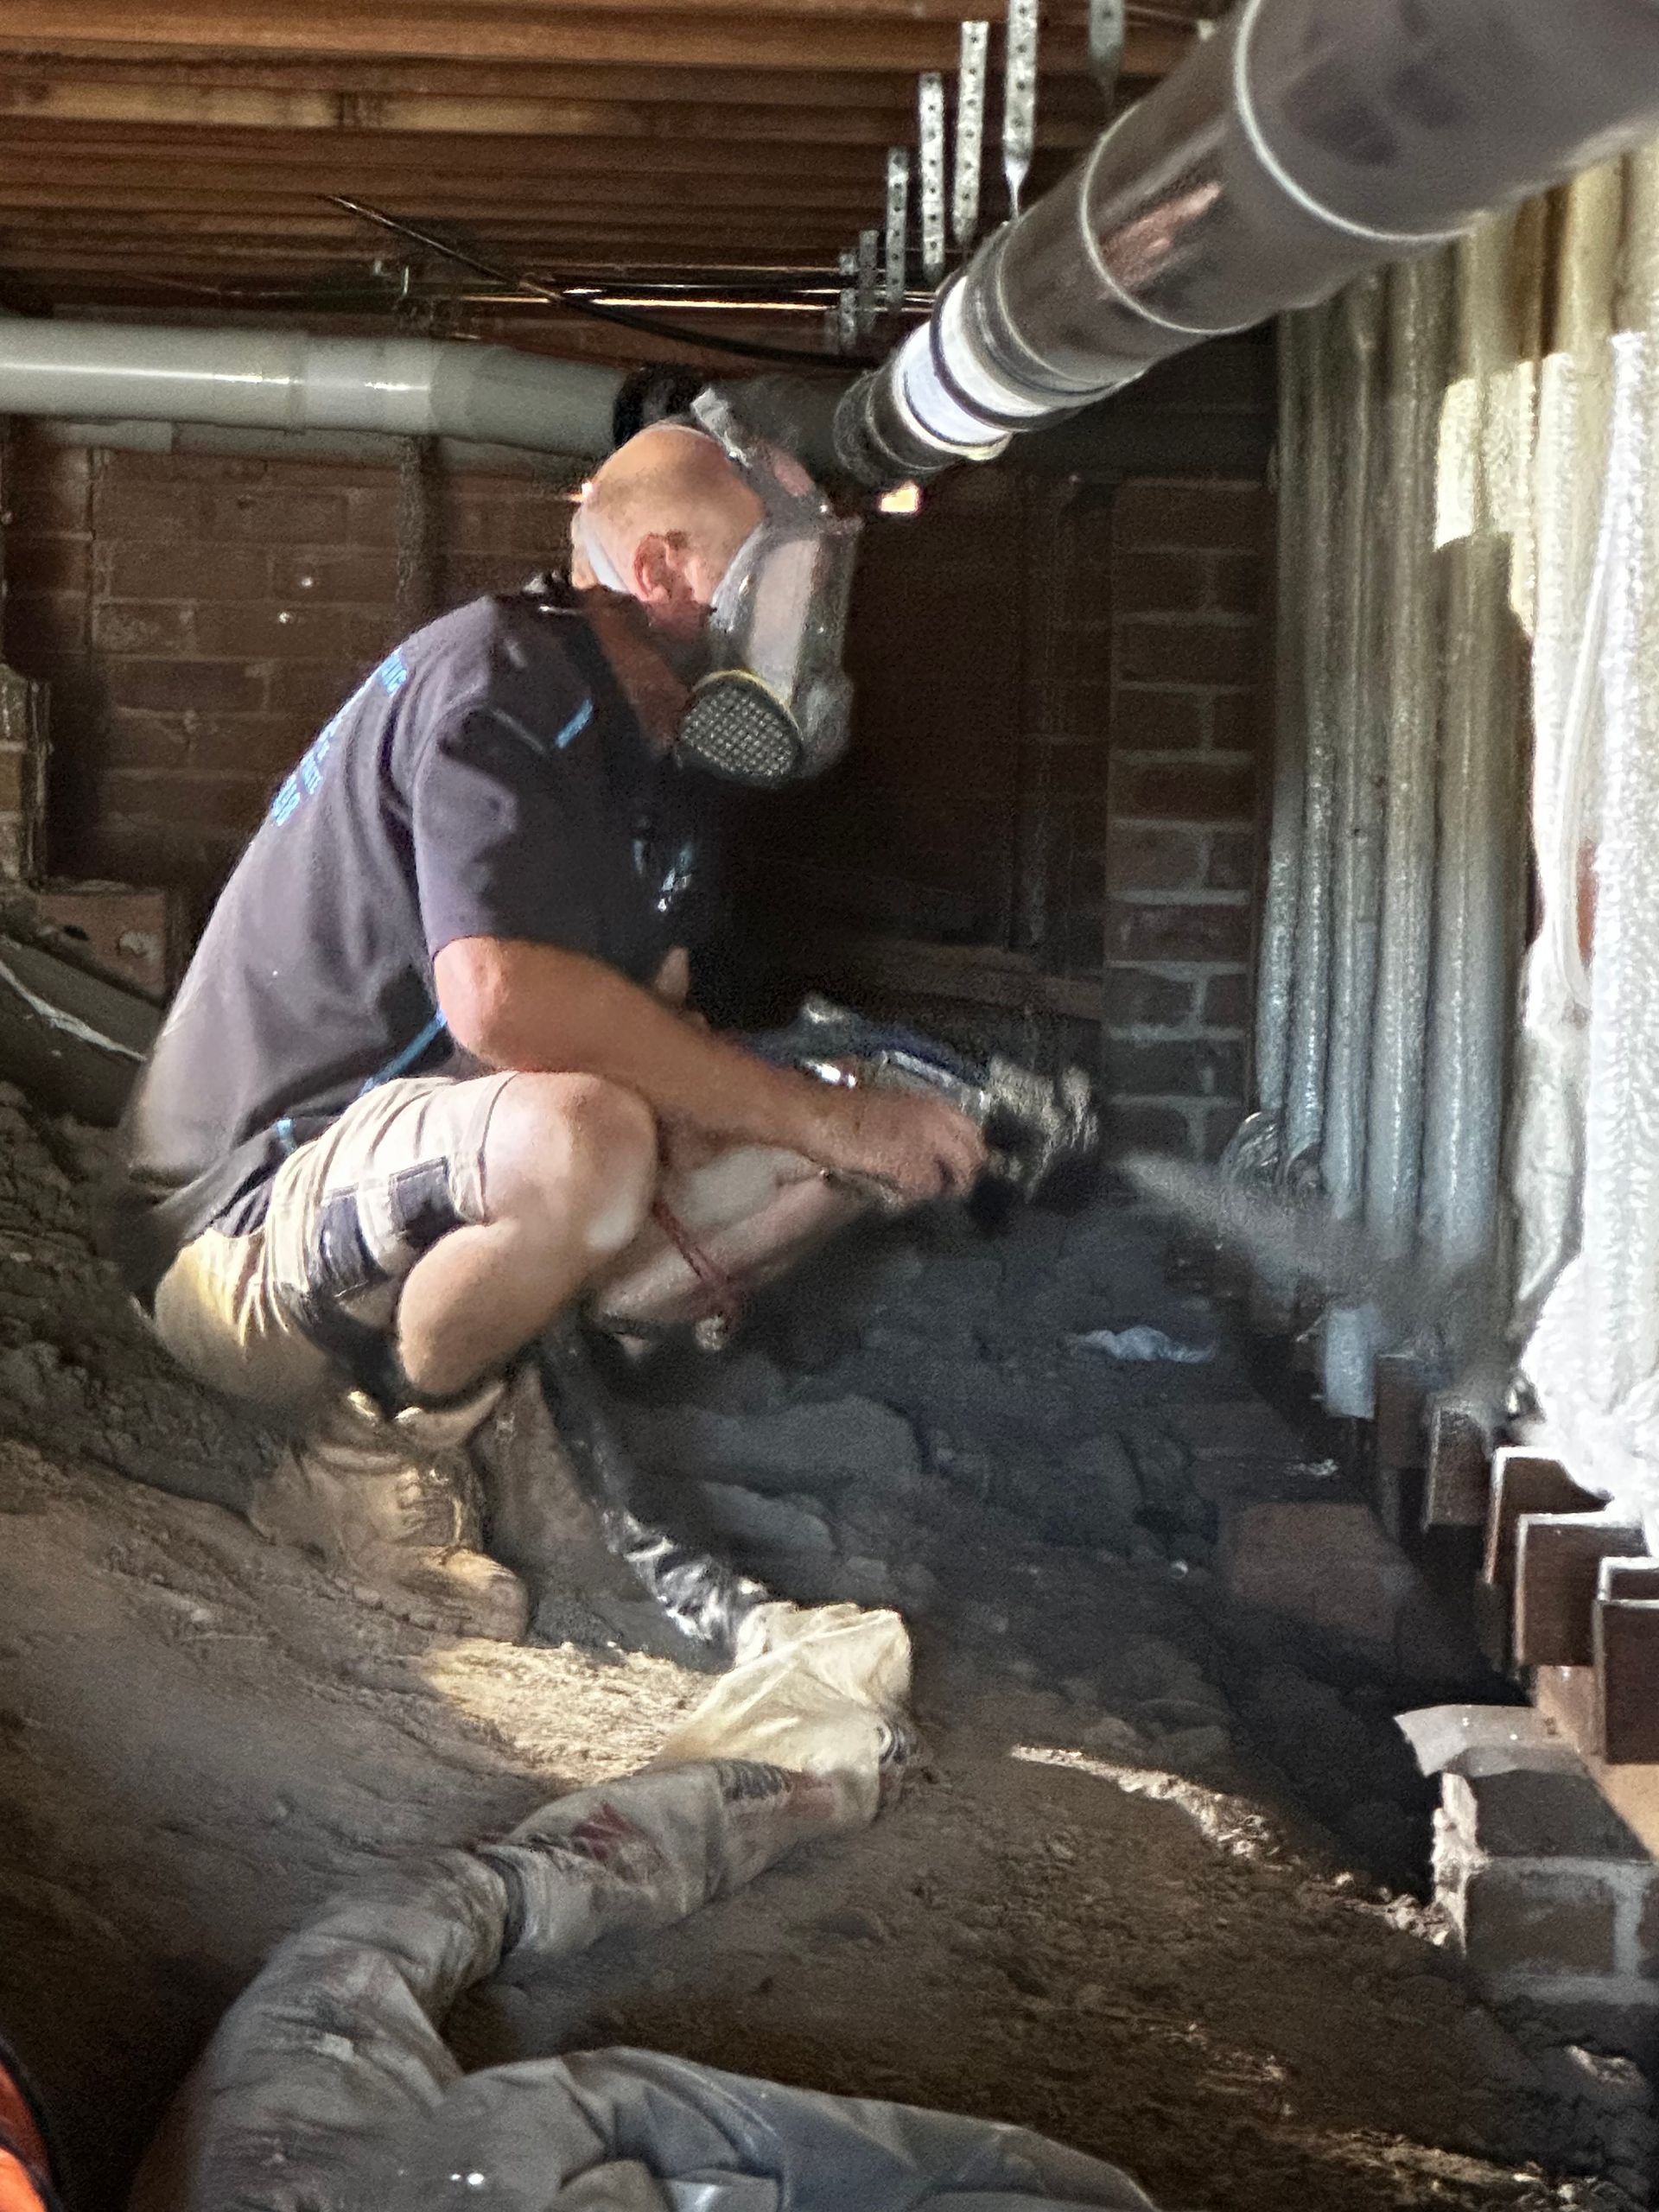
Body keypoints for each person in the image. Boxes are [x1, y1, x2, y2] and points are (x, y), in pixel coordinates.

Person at [108, 408, 987, 1643]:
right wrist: (820, 1112)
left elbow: (659, 1021)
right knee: (592, 1138)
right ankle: (359, 1474)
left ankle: (509, 1395)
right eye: (787, 573)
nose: (815, 620)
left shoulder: (669, 758)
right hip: (237, 1234)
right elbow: (501, 1001)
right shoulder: (500, 675)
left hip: (404, 1186)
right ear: (666, 570)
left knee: (804, 1138)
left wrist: (849, 1125)